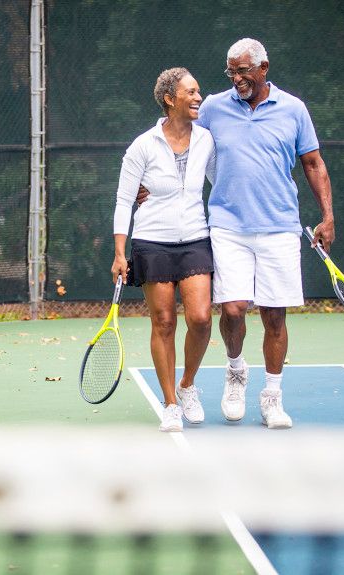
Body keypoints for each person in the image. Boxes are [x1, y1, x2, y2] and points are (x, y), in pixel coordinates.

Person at [138, 38, 335, 429]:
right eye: (231, 70)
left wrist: (327, 216)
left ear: (264, 69)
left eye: (243, 70)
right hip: (227, 226)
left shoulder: (294, 110)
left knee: (275, 317)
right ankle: (235, 371)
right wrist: (148, 177)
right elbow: (175, 132)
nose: (236, 78)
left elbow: (313, 163)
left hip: (280, 226)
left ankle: (272, 397)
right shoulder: (212, 106)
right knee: (231, 309)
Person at [112, 67, 217, 432]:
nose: (197, 98)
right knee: (164, 322)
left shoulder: (207, 140)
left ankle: (187, 384)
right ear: (170, 99)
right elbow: (124, 199)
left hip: (195, 239)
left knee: (201, 318)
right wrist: (119, 253)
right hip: (151, 242)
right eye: (190, 92)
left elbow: (221, 184)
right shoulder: (142, 145)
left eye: (198, 91)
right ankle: (171, 402)